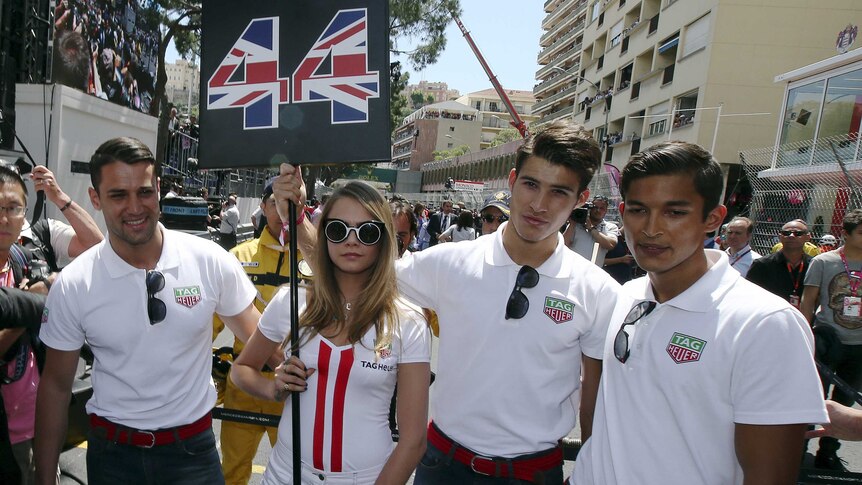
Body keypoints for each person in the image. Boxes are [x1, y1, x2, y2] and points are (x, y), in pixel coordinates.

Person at [271, 119, 620, 483]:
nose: (539, 204)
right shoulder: (451, 262)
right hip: (442, 466)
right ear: (513, 180)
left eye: (559, 192)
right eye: (531, 184)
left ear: (580, 199)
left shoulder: (598, 290)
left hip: (533, 473)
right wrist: (297, 221)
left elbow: (594, 410)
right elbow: (353, 269)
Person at [573, 141, 827, 485]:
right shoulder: (624, 297)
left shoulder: (766, 324)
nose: (651, 228)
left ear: (713, 219)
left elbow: (769, 476)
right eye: (638, 210)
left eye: (674, 212)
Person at [34, 137, 263, 485]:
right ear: (95, 199)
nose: (135, 207)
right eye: (118, 195)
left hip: (194, 456)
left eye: (144, 192)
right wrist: (43, 477)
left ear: (158, 189)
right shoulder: (74, 284)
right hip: (113, 459)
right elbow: (55, 386)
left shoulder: (209, 260)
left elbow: (264, 342)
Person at [231, 181, 431, 485]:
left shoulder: (409, 321)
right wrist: (274, 388)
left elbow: (413, 440)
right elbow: (241, 370)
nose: (352, 241)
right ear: (324, 235)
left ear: (384, 240)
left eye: (367, 232)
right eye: (338, 229)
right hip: (285, 476)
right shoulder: (290, 301)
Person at [212, 180, 308, 485]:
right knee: (233, 470)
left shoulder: (316, 262)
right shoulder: (237, 257)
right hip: (244, 382)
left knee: (296, 472)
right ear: (263, 208)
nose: (282, 213)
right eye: (275, 205)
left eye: (289, 206)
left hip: (296, 389)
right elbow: (210, 323)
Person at [0, 166, 53, 485]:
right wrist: (30, 308)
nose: (4, 218)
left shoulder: (20, 260)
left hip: (38, 424)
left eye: (13, 208)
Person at [801, 208, 862, 470]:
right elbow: (809, 301)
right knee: (814, 398)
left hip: (858, 345)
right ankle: (800, 447)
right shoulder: (824, 262)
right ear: (846, 234)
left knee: (845, 401)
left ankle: (829, 451)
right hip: (827, 341)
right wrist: (802, 337)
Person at [22, 165, 104, 272]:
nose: (4, 217)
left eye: (12, 206)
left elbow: (96, 246)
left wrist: (58, 196)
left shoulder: (42, 233)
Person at [747, 219, 812, 308]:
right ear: (780, 236)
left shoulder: (814, 265)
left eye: (798, 233)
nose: (791, 236)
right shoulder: (762, 264)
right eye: (786, 233)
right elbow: (750, 295)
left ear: (808, 237)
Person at [563, 195, 619, 266]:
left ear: (606, 211)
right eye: (595, 207)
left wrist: (591, 229)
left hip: (594, 272)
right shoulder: (576, 225)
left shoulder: (610, 227)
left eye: (601, 208)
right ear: (589, 208)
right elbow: (563, 245)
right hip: (573, 269)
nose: (598, 210)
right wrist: (572, 224)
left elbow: (610, 244)